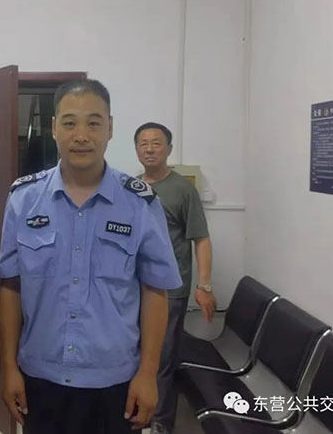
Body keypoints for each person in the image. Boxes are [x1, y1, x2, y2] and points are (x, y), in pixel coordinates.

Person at [0, 79, 182, 434]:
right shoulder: (23, 199)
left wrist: (148, 374)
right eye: (70, 123)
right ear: (54, 128)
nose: (81, 135)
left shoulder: (140, 203)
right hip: (41, 377)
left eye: (93, 123)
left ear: (110, 128)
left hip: (116, 382)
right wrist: (8, 369)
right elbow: (10, 287)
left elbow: (155, 290)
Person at [133, 122, 216, 434]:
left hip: (171, 290)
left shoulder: (183, 189)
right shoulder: (131, 187)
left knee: (162, 359)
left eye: (156, 143)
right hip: (134, 289)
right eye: (143, 143)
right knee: (134, 356)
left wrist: (204, 286)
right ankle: (135, 415)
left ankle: (161, 422)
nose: (149, 149)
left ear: (168, 149)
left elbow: (201, 239)